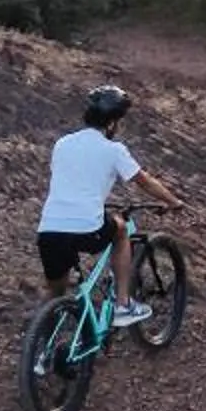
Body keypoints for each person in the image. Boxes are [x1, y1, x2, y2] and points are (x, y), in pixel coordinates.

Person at [37, 85, 188, 326]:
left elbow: (72, 179)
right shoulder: (114, 150)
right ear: (111, 123)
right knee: (120, 230)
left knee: (55, 290)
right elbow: (144, 181)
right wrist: (173, 201)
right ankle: (123, 305)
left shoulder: (62, 143)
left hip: (49, 229)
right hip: (86, 227)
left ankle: (38, 350)